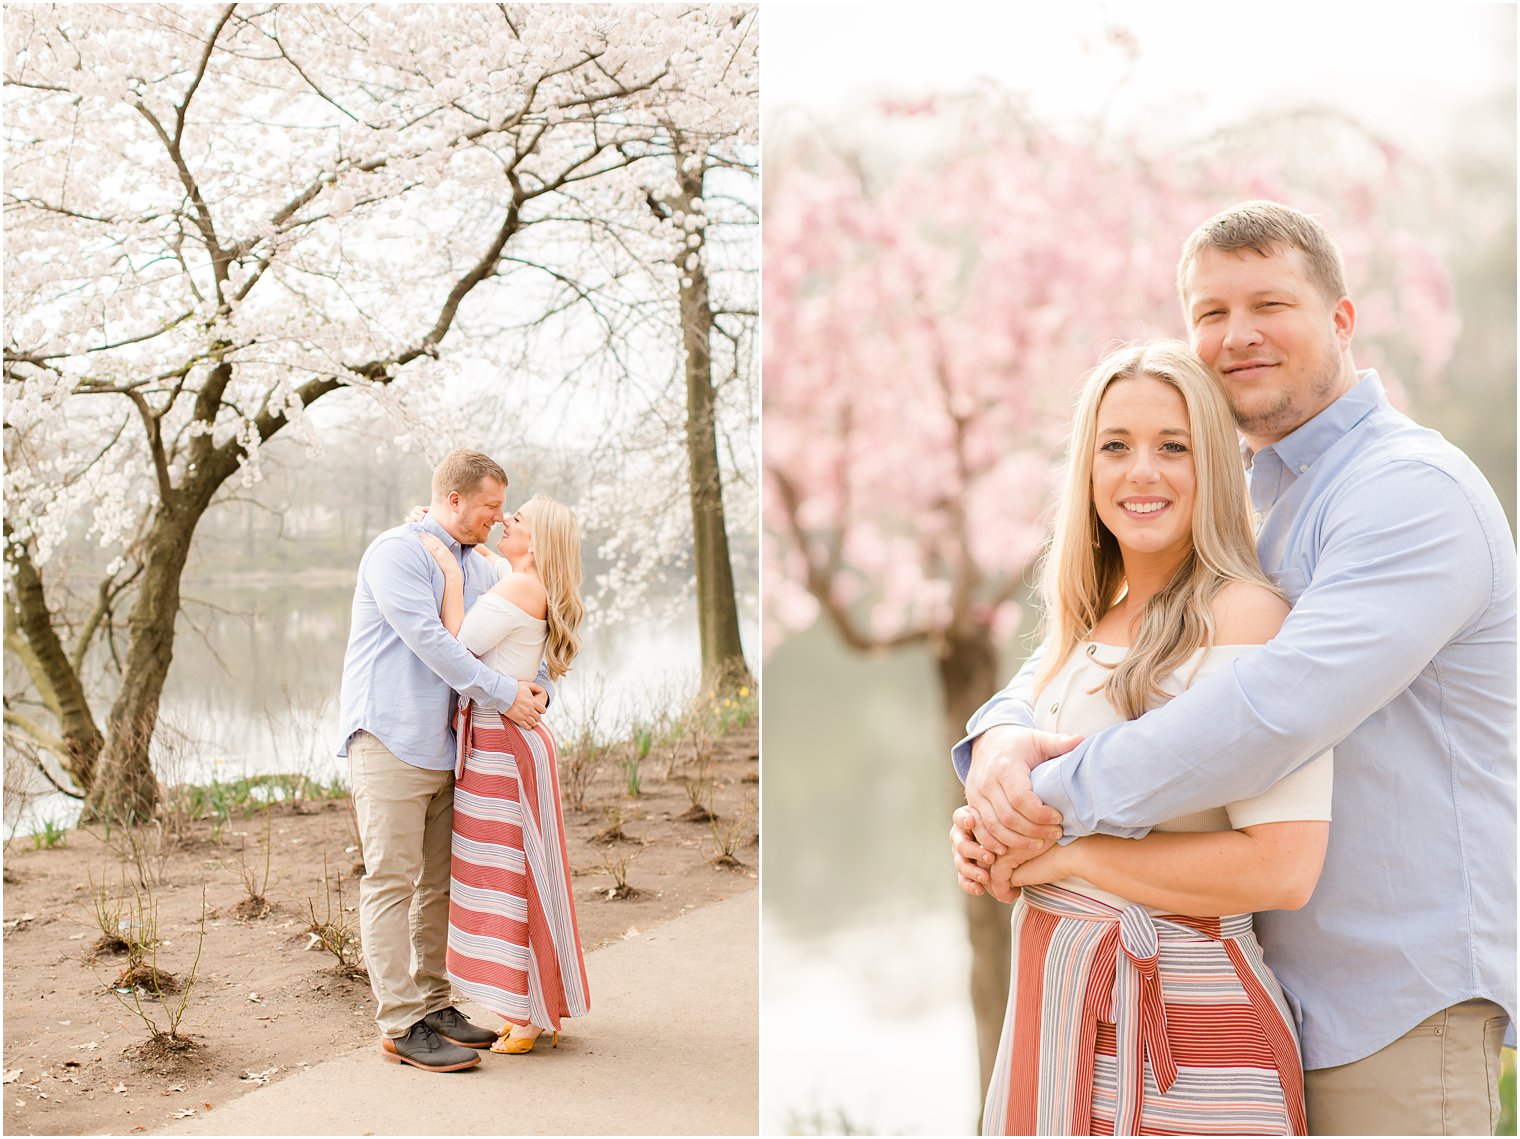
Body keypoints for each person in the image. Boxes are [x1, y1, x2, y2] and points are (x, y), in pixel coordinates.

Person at [953, 201, 1515, 1135]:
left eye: (1269, 304)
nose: (1238, 334)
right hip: (1252, 988)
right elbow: (1099, 647)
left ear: (1341, 319)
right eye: (1210, 313)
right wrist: (1000, 745)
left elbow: (1271, 711)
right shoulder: (1252, 498)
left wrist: (1049, 807)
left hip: (1391, 1006)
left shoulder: (1407, 493)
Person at [971, 339, 1330, 1135]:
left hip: (1187, 1021)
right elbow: (1022, 753)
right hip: (1058, 1006)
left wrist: (1067, 857)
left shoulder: (1246, 617)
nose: (1143, 472)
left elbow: (1283, 864)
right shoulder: (1083, 623)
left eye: (1175, 446)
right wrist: (988, 822)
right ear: (1086, 469)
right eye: (1116, 447)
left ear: (1213, 465)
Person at [338, 448, 552, 1073]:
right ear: (454, 499)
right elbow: (434, 643)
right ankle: (400, 1022)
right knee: (390, 880)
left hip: (450, 750)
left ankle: (434, 1005)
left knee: (437, 886)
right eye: (489, 506)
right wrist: (506, 695)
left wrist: (533, 685)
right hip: (391, 740)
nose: (498, 517)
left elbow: (503, 636)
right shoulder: (396, 552)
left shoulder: (476, 565)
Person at [419, 495, 590, 1054]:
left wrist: (447, 572)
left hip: (501, 743)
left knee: (509, 874)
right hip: (509, 740)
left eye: (514, 519)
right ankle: (533, 1001)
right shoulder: (519, 579)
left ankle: (527, 1011)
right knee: (522, 869)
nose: (503, 521)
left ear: (536, 543)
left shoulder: (519, 586)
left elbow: (458, 646)